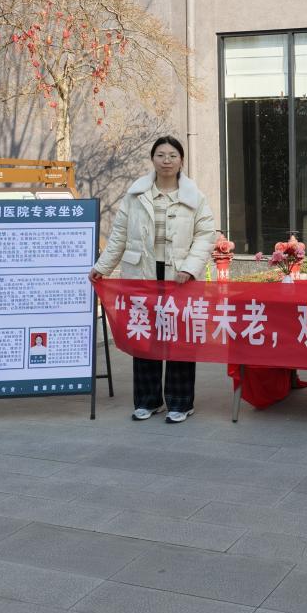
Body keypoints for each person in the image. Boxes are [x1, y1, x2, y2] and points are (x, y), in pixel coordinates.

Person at [89, 135, 215, 424]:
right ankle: (148, 401)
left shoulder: (195, 197)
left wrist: (191, 268)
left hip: (180, 278)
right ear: (152, 159)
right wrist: (102, 267)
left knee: (179, 338)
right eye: (161, 155)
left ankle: (181, 402)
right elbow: (120, 235)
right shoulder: (135, 195)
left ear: (181, 160)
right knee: (145, 337)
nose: (166, 160)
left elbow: (205, 235)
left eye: (172, 155)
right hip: (142, 276)